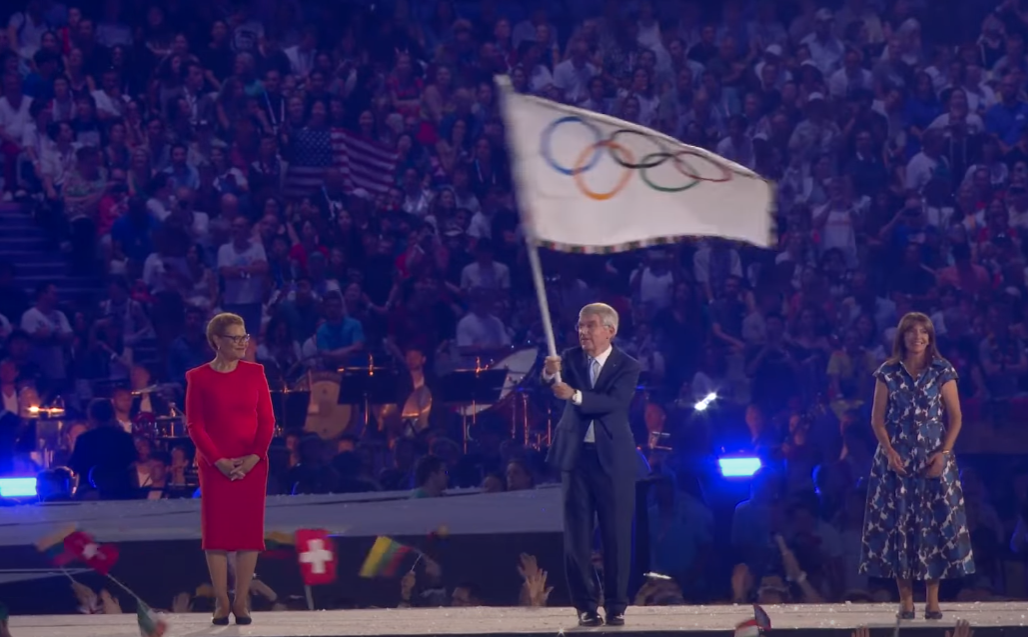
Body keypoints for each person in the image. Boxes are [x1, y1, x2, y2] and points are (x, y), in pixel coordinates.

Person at [860, 312, 974, 621]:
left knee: (932, 526)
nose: (918, 337)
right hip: (896, 461)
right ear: (903, 337)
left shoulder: (942, 371)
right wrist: (889, 451)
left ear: (930, 337)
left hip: (933, 460)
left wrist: (943, 454)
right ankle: (906, 601)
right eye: (912, 332)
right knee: (901, 528)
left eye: (923, 332)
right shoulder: (888, 372)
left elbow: (956, 418)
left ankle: (933, 600)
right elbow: (877, 419)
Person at [543, 302, 640, 627]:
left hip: (613, 459)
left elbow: (615, 402)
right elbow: (551, 383)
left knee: (616, 535)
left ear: (610, 330)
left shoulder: (627, 366)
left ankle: (616, 604)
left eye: (591, 325)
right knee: (577, 537)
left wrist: (576, 396)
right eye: (580, 326)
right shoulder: (569, 359)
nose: (583, 331)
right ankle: (585, 605)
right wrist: (548, 372)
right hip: (576, 457)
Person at [184, 312, 275, 626]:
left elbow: (267, 421)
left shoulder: (255, 373)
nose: (241, 343)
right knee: (218, 535)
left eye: (244, 337)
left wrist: (253, 458)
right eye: (235, 338)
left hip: (251, 464)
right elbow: (195, 425)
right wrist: (218, 461)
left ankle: (241, 600)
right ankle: (221, 600)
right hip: (215, 466)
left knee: (249, 535)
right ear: (216, 342)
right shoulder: (198, 377)